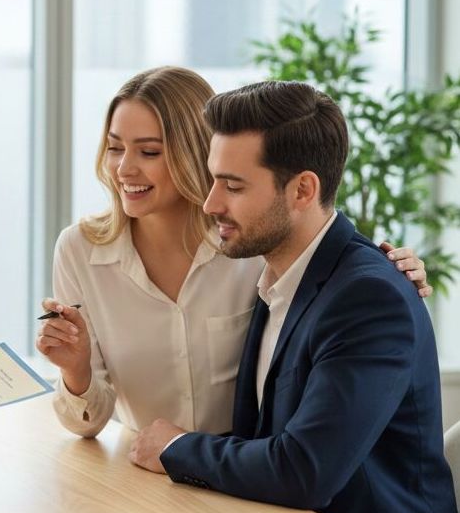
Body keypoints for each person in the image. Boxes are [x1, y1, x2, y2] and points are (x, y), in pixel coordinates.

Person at [128, 81, 460, 513]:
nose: (211, 203)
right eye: (214, 180)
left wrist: (175, 447)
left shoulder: (368, 297)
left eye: (233, 186)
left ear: (303, 189)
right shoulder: (277, 278)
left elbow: (305, 470)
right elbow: (267, 438)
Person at [38, 66, 429, 439]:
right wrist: (76, 370)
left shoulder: (253, 239)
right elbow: (88, 423)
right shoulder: (79, 251)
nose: (124, 168)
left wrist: (393, 273)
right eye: (114, 148)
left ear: (199, 153)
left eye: (150, 152)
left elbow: (333, 275)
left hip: (246, 470)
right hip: (146, 468)